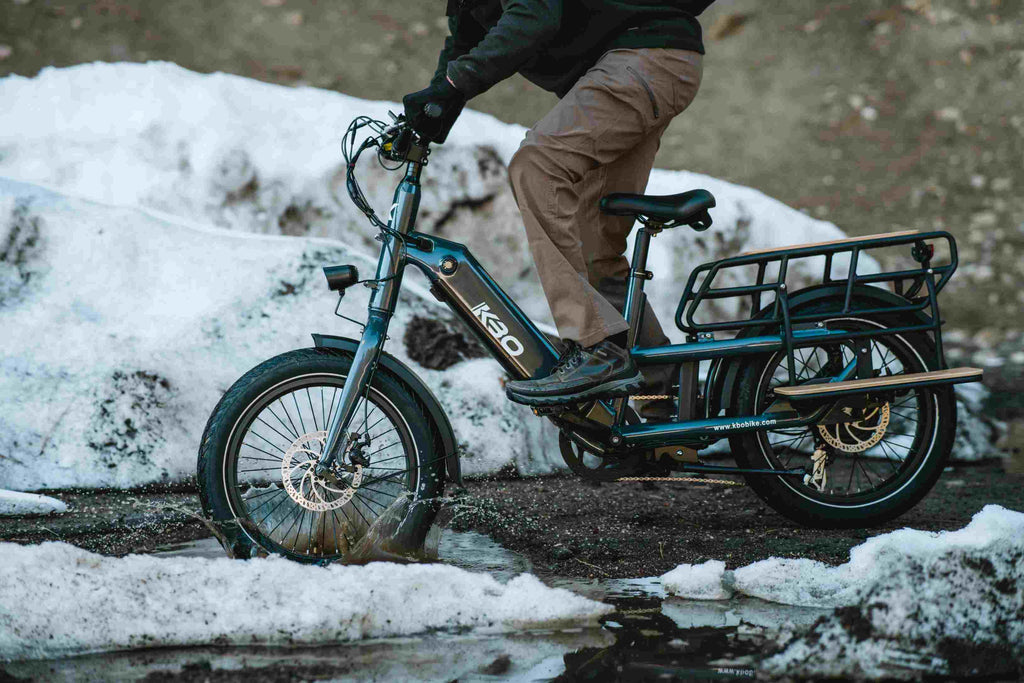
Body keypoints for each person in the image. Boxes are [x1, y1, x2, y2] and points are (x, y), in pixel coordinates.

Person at [404, 0, 713, 411]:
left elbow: (534, 16)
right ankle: (662, 404)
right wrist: (427, 114)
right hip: (634, 65)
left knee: (537, 166)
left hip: (642, 57)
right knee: (594, 249)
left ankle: (596, 347)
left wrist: (456, 84)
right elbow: (464, 41)